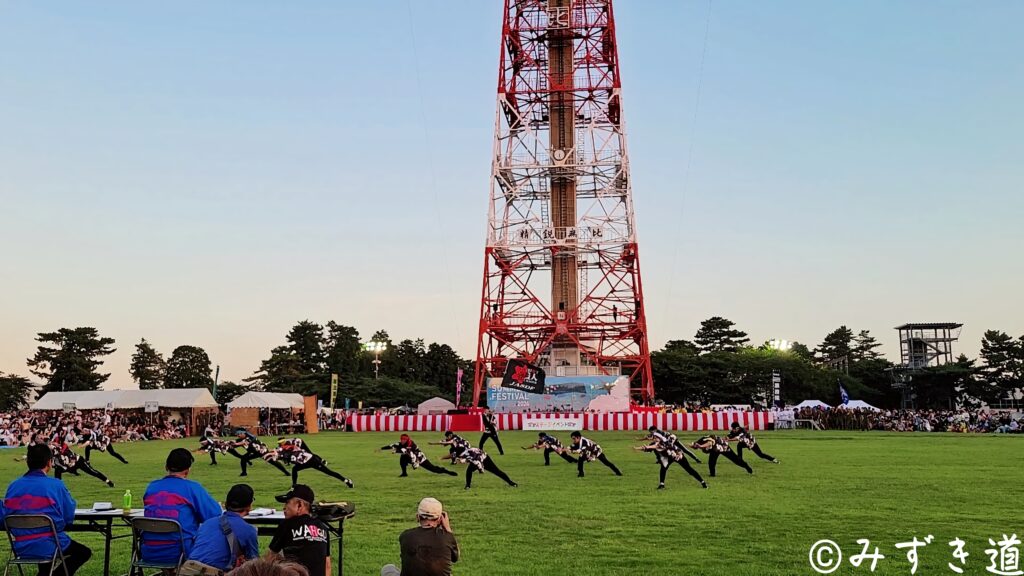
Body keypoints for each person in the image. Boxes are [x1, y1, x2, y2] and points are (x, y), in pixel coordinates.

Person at [0, 443, 93, 576]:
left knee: (47, 553)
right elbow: (68, 517)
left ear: (28, 462)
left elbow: (5, 515)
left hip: (21, 545)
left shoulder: (13, 486)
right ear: (49, 462)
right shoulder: (56, 485)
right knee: (83, 552)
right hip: (51, 543)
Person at [142, 448, 224, 565]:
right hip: (181, 552)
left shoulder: (151, 487)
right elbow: (214, 516)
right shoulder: (192, 488)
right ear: (187, 470)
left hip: (148, 551)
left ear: (166, 467)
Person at [188, 484, 260, 572]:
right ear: (250, 505)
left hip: (189, 570)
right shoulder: (249, 530)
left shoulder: (207, 523)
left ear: (225, 503)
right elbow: (254, 565)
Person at [381, 498, 459, 576]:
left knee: (388, 568)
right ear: (440, 519)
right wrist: (448, 529)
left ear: (417, 517)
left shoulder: (405, 536)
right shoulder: (447, 537)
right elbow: (455, 558)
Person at [266, 485, 331, 576]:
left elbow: (270, 559)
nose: (284, 508)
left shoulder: (287, 524)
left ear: (299, 505)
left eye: (287, 503)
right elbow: (327, 565)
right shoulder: (322, 526)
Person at [634, 436, 707, 490]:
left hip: (676, 456)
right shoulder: (655, 443)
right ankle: (661, 484)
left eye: (656, 438)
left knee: (689, 469)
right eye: (654, 438)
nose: (655, 439)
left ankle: (703, 482)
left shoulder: (665, 443)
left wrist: (680, 455)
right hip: (668, 458)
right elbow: (648, 448)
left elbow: (677, 449)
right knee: (663, 468)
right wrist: (637, 448)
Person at [276, 438, 354, 488]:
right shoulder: (287, 451)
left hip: (311, 460)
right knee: (294, 469)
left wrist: (282, 457)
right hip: (304, 462)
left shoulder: (290, 449)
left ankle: (346, 480)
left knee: (329, 472)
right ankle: (294, 485)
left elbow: (291, 454)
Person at [380, 434, 458, 477]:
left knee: (433, 469)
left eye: (404, 440)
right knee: (403, 458)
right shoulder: (400, 444)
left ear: (407, 440)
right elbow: (391, 445)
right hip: (411, 457)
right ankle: (404, 473)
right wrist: (381, 448)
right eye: (402, 439)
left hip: (420, 458)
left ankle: (446, 471)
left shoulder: (411, 444)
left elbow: (406, 450)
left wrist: (396, 451)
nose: (403, 441)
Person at [51, 441, 115, 487]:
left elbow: (72, 458)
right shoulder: (54, 455)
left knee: (92, 471)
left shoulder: (64, 450)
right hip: (69, 465)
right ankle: (58, 487)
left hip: (79, 461)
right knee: (58, 470)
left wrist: (69, 465)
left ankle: (108, 481)